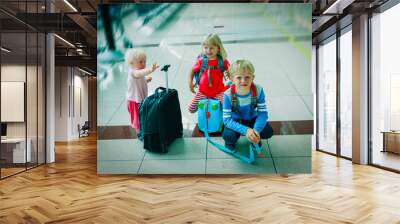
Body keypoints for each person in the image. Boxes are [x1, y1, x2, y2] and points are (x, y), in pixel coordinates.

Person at [222, 59, 273, 150]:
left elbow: (263, 113)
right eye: (239, 77)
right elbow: (227, 120)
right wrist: (246, 130)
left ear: (253, 77)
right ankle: (230, 142)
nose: (243, 81)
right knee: (228, 135)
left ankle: (255, 138)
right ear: (231, 79)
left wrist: (256, 131)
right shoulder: (227, 95)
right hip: (235, 120)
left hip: (251, 119)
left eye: (247, 77)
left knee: (267, 132)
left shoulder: (258, 90)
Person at [188, 33, 230, 113]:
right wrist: (190, 82)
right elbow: (192, 70)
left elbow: (231, 71)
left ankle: (221, 119)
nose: (208, 50)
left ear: (218, 48)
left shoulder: (222, 61)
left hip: (218, 92)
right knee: (191, 109)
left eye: (211, 48)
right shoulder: (201, 61)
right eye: (205, 48)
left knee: (228, 108)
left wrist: (230, 77)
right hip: (203, 92)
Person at [125, 48, 159, 133]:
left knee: (141, 116)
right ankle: (139, 133)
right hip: (134, 101)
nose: (143, 64)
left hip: (139, 99)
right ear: (131, 63)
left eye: (144, 61)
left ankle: (142, 130)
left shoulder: (138, 72)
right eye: (140, 62)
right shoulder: (133, 72)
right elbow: (139, 74)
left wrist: (146, 80)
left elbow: (138, 80)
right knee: (138, 119)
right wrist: (150, 70)